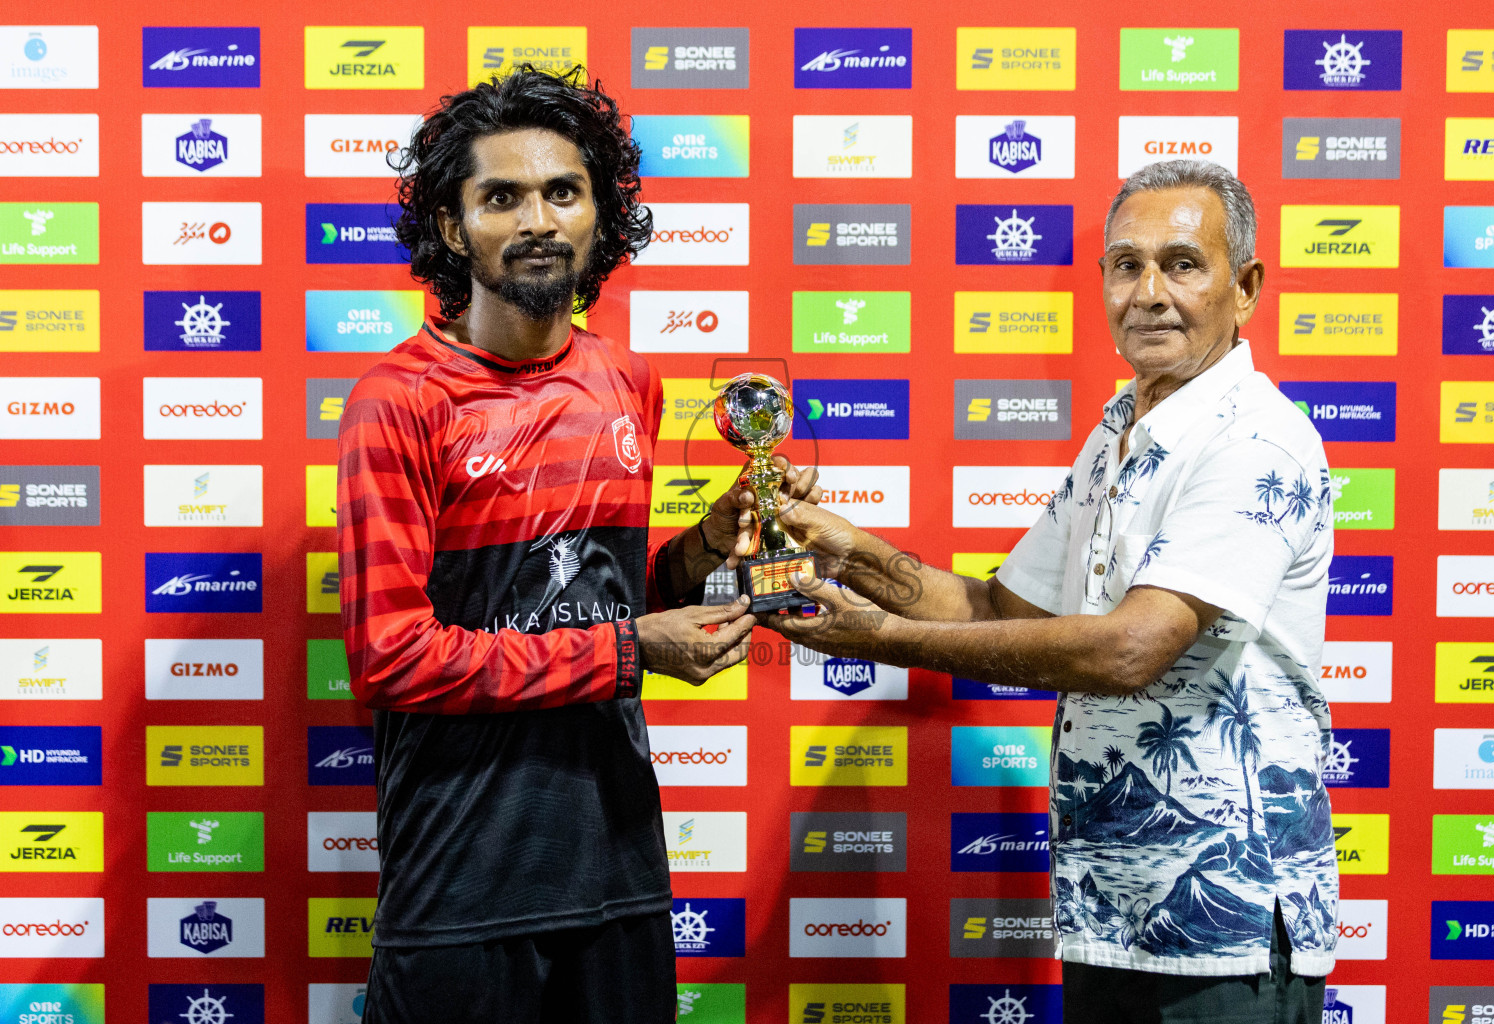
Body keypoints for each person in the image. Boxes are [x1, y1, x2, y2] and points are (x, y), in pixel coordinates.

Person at [762, 160, 1339, 1024]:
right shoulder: (1119, 430)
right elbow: (1003, 610)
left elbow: (1130, 647)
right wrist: (849, 552)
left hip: (1228, 932)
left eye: (1182, 263)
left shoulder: (1257, 440)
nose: (1148, 292)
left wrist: (877, 638)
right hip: (1109, 920)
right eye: (1125, 264)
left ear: (1245, 287)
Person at [337, 66, 816, 1024]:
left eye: (564, 191)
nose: (538, 220)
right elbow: (392, 657)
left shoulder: (624, 382)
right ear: (449, 227)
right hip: (461, 880)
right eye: (500, 196)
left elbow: (600, 595)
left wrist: (707, 548)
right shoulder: (399, 402)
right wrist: (634, 653)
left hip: (618, 864)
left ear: (602, 214)